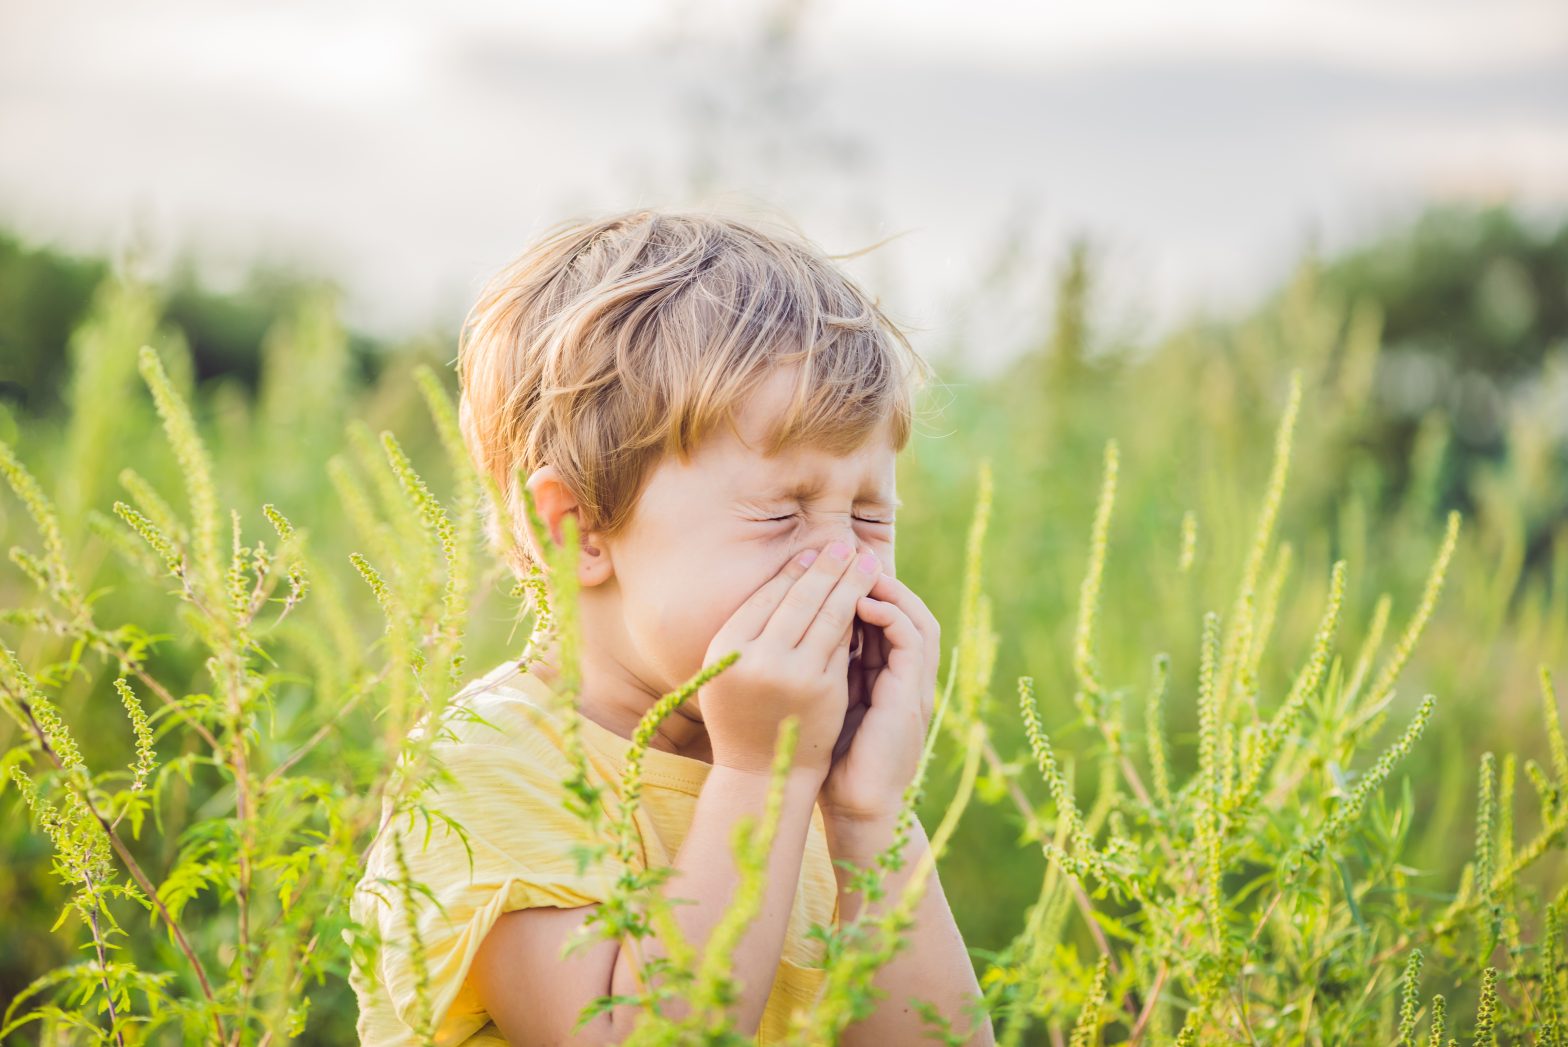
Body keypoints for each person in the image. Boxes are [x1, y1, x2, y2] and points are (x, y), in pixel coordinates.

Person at [348, 206, 994, 1045]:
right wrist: (761, 777)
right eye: (783, 512)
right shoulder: (488, 770)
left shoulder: (807, 772)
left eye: (870, 516)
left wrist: (874, 816)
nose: (844, 566)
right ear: (575, 529)